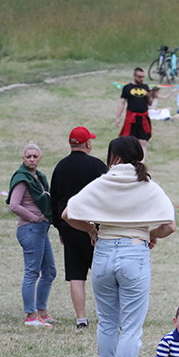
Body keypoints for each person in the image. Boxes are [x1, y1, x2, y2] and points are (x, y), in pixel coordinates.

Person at [63, 136, 176, 357]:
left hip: (103, 251)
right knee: (131, 325)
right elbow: (169, 225)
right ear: (139, 155)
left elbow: (68, 214)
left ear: (113, 157)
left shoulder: (102, 182)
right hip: (134, 253)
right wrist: (149, 232)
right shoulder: (147, 185)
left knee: (107, 322)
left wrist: (92, 229)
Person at [51, 126, 107, 331]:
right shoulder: (97, 166)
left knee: (76, 275)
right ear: (88, 144)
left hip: (69, 225)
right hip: (95, 228)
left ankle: (81, 319)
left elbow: (54, 200)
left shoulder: (60, 167)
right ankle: (106, 317)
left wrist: (60, 228)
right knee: (102, 275)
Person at [8, 142, 56, 327]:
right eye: (28, 156)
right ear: (23, 158)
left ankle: (42, 311)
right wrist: (34, 218)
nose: (32, 159)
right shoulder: (22, 178)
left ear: (40, 158)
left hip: (41, 230)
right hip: (30, 229)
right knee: (32, 272)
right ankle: (31, 316)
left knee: (50, 271)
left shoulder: (39, 177)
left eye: (35, 156)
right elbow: (14, 205)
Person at [115, 68, 152, 155]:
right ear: (134, 76)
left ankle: (141, 163)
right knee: (129, 141)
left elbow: (150, 103)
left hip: (143, 117)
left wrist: (149, 96)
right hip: (131, 117)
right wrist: (118, 117)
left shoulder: (145, 87)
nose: (141, 79)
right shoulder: (127, 88)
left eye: (143, 77)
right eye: (139, 77)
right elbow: (122, 103)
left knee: (143, 141)